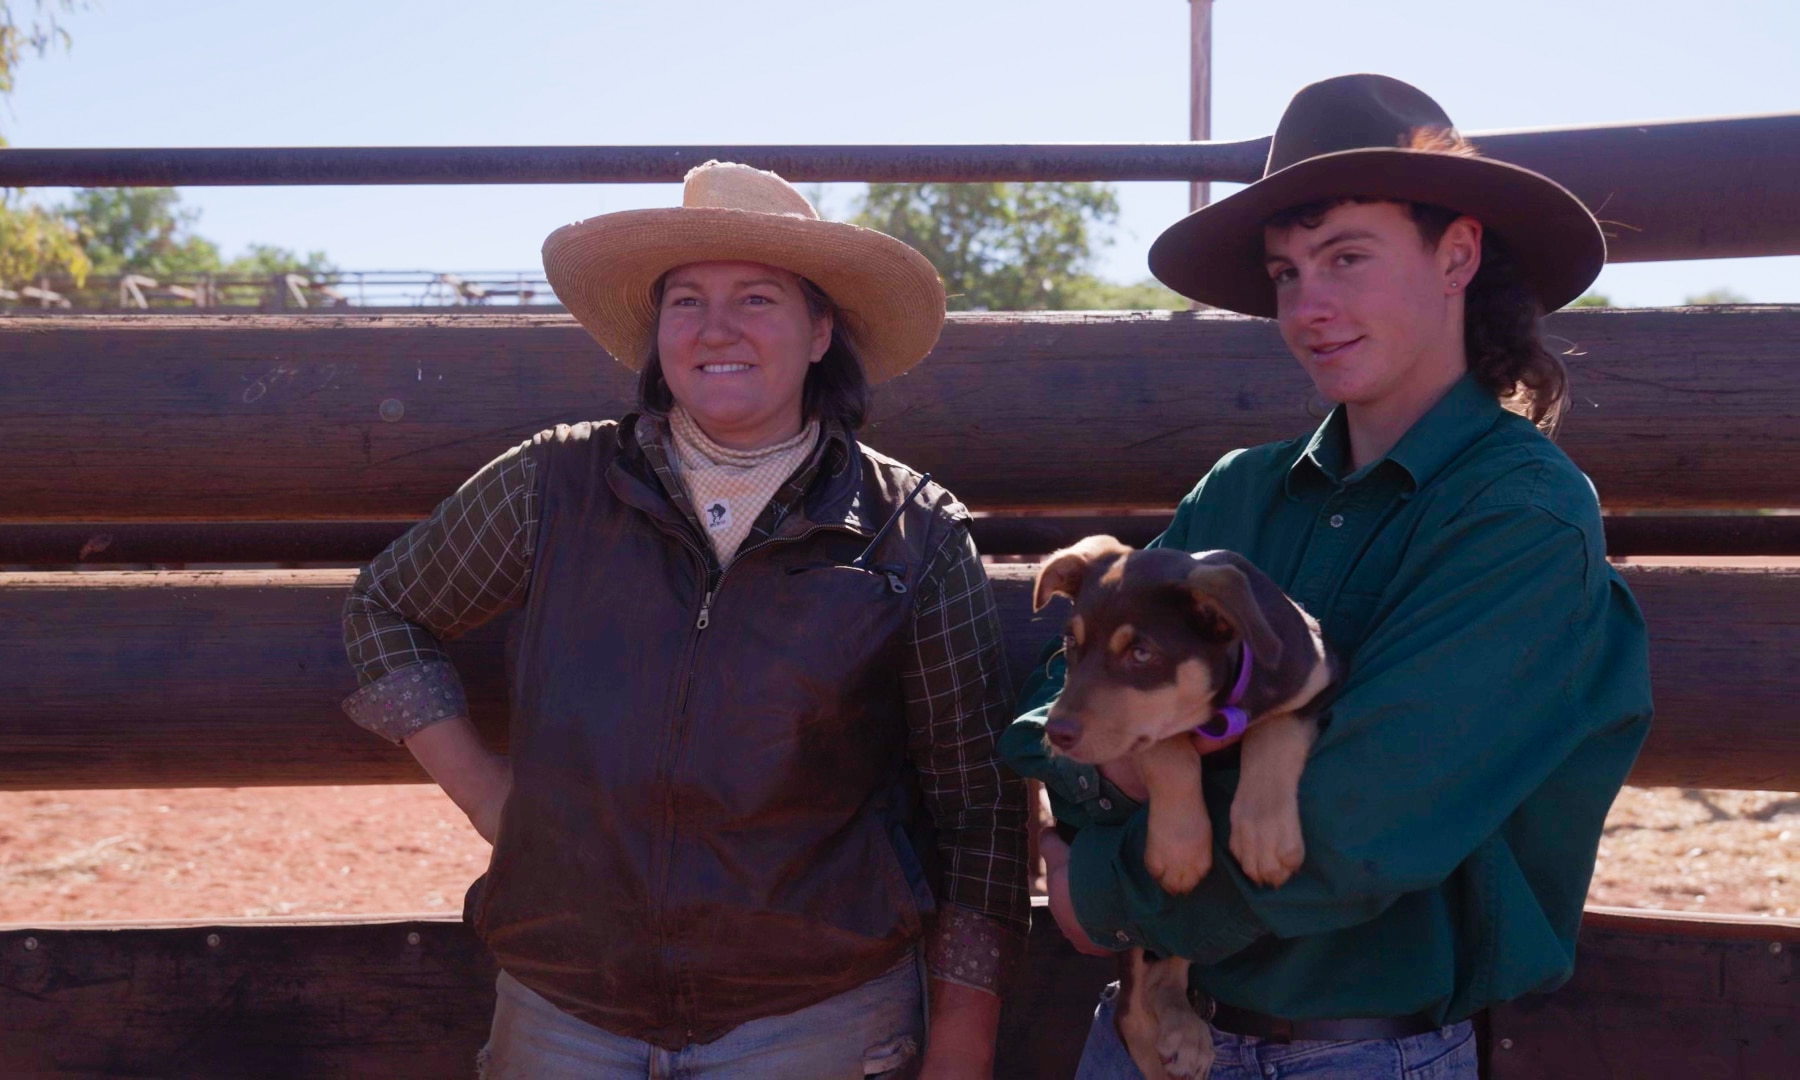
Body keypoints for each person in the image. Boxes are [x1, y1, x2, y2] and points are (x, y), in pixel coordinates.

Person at [1001, 74, 1653, 1079]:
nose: (1311, 304)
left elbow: (1361, 832)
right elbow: (1056, 713)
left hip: (1355, 1054)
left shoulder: (1519, 516)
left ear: (1458, 255)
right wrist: (1138, 767)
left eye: (1347, 258)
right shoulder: (1242, 491)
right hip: (1144, 1037)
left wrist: (1108, 885)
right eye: (1287, 273)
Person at [340, 160, 1028, 1079]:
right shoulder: (555, 486)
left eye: (757, 298)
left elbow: (978, 810)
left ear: (823, 330)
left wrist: (962, 1043)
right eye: (686, 301)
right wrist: (485, 793)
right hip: (564, 1010)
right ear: (656, 330)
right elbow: (385, 606)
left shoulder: (912, 532)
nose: (716, 330)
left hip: (818, 1021)